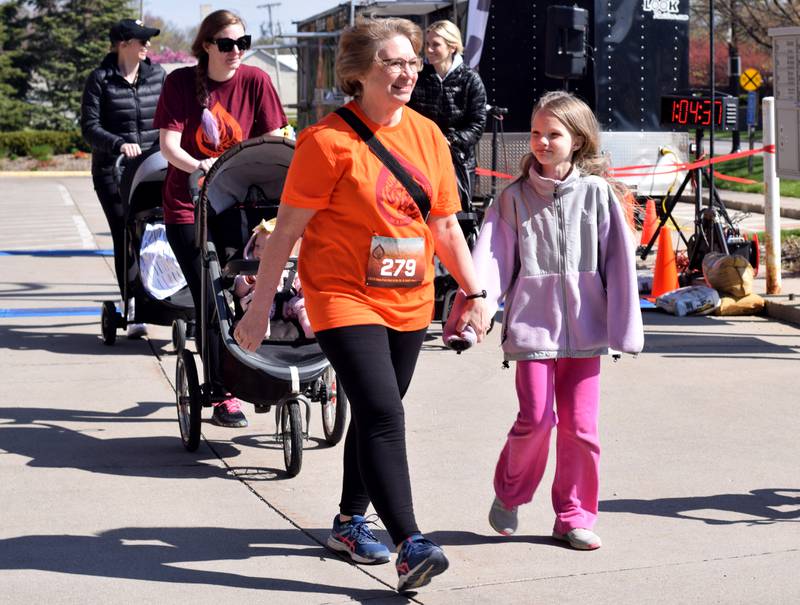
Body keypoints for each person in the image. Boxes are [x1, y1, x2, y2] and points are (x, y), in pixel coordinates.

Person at [234, 17, 489, 593]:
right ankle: (411, 543)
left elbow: (445, 224)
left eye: (413, 63)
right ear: (361, 73)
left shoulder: (429, 136)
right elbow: (286, 234)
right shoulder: (326, 143)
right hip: (342, 296)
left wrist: (473, 293)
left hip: (409, 297)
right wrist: (259, 307)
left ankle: (350, 521)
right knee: (384, 413)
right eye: (394, 63)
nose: (407, 72)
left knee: (380, 410)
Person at [446, 90, 643, 550]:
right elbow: (490, 263)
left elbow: (618, 263)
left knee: (581, 428)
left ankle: (573, 515)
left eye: (553, 134)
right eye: (536, 132)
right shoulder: (512, 199)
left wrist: (623, 327)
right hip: (532, 329)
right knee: (535, 419)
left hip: (586, 330)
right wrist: (476, 317)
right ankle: (510, 493)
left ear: (576, 140)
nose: (541, 141)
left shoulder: (598, 195)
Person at [153, 9, 287, 429]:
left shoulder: (256, 81)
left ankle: (269, 368)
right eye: (227, 44)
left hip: (240, 205)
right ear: (207, 45)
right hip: (188, 206)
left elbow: (275, 136)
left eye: (242, 44)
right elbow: (169, 146)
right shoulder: (179, 84)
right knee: (212, 297)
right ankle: (224, 392)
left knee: (247, 287)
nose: (236, 52)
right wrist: (201, 167)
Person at [81, 18, 165, 339]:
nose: (147, 46)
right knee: (125, 236)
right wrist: (118, 143)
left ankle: (161, 298)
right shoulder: (100, 80)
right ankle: (132, 305)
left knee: (157, 234)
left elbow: (171, 118)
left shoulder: (158, 76)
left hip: (153, 169)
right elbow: (89, 127)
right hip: (112, 172)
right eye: (141, 40)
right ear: (123, 44)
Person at [408, 19, 487, 211]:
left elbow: (477, 124)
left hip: (458, 163)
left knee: (456, 217)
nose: (429, 49)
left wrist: (450, 140)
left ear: (452, 47)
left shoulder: (470, 79)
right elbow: (407, 115)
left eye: (436, 44)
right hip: (422, 160)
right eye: (427, 44)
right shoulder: (419, 77)